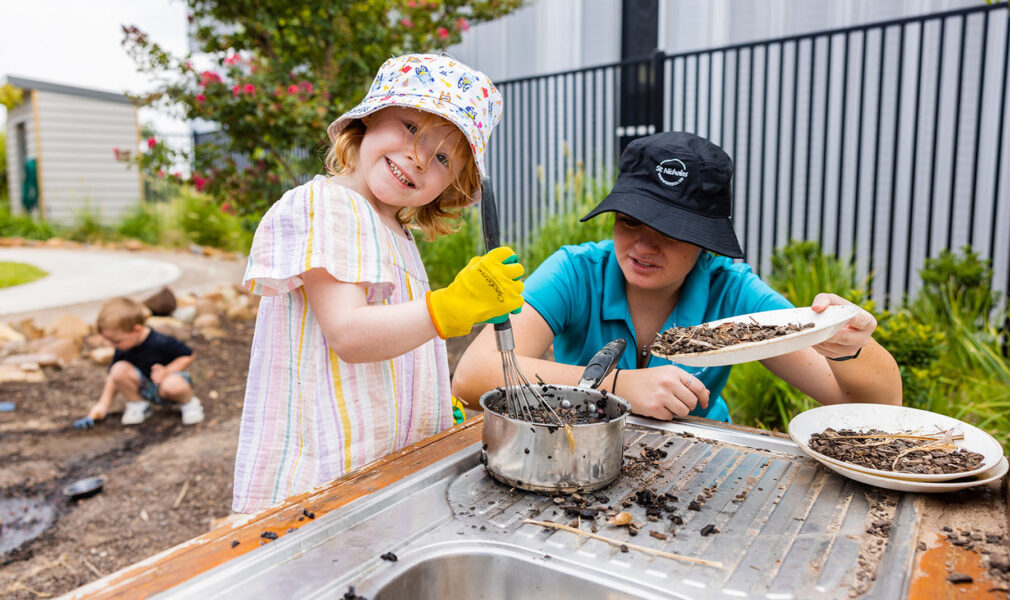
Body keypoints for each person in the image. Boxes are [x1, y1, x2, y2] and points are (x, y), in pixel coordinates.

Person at [232, 54, 524, 513]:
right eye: (411, 127)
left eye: (444, 157)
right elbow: (349, 334)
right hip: (324, 478)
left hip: (379, 469)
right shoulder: (324, 206)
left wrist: (426, 397)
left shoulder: (398, 235)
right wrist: (450, 306)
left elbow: (396, 340)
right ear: (367, 119)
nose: (420, 156)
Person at [452, 131, 902, 421]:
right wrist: (616, 387)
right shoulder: (576, 271)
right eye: (629, 221)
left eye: (670, 231)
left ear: (705, 240)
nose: (644, 246)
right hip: (579, 453)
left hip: (703, 460)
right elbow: (473, 378)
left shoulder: (733, 291)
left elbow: (876, 410)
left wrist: (852, 346)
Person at [80, 297, 203, 427]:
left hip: (167, 384)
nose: (112, 345)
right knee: (118, 369)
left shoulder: (160, 341)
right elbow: (113, 377)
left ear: (137, 330)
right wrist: (103, 404)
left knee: (172, 384)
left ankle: (189, 404)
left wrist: (167, 371)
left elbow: (188, 355)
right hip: (145, 386)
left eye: (116, 341)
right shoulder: (123, 347)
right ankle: (139, 405)